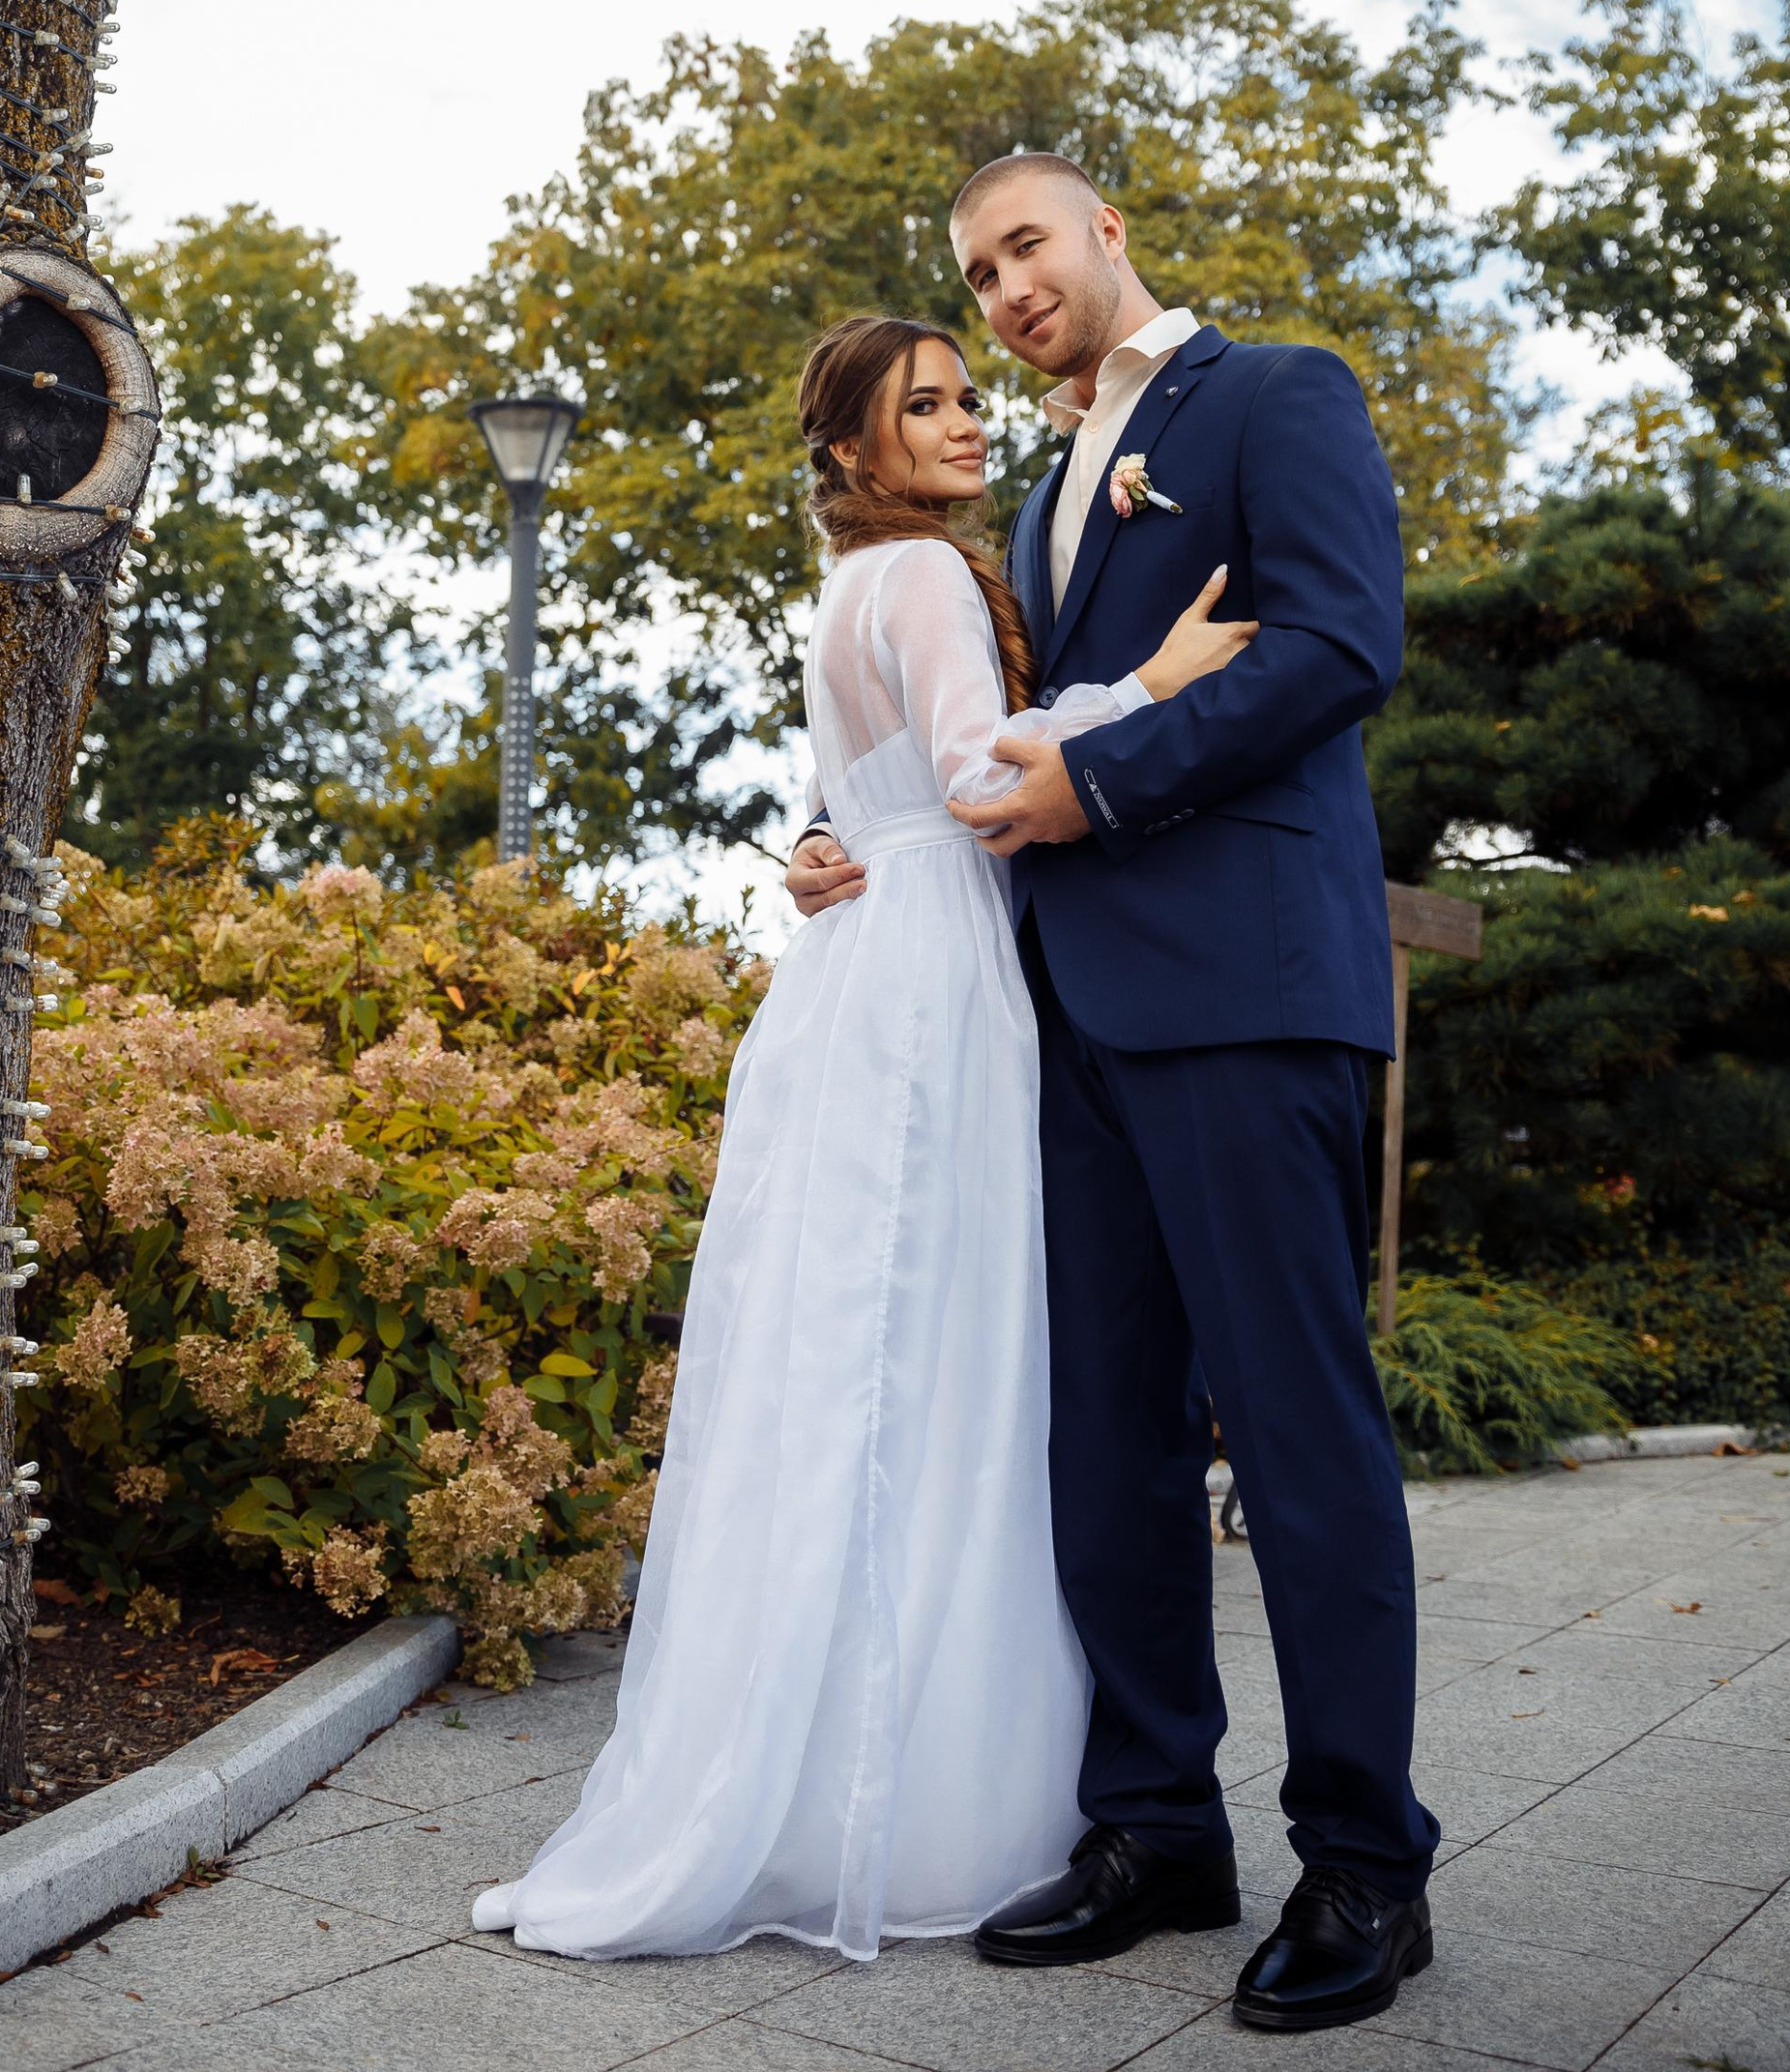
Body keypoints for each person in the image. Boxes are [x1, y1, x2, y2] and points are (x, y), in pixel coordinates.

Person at [472, 310, 1252, 1963]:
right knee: (942, 1367)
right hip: (933, 980)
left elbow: (874, 789)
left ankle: (832, 1762)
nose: (967, 421)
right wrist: (1157, 681)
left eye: (970, 396)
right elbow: (977, 783)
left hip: (864, 960)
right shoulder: (919, 578)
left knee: (865, 1366)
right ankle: (909, 1801)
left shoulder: (853, 590)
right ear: (853, 451)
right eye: (926, 406)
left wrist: (824, 837)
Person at [792, 152, 1438, 2034]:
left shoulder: (1272, 396)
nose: (1000, 288)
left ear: (1100, 236)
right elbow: (980, 741)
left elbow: (1337, 643)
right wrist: (849, 843)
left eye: (1020, 246)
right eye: (971, 271)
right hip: (1068, 1021)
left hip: (1245, 992)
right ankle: (1156, 1826)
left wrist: (1106, 781)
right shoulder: (1040, 509)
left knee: (1292, 1438)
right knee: (1107, 1447)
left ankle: (1365, 1865)